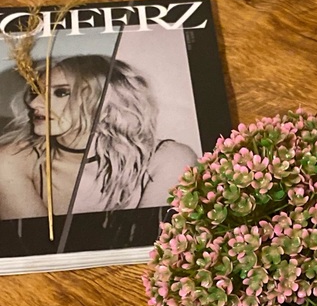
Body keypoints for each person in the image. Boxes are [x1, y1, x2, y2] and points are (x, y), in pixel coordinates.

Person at [0, 54, 196, 221]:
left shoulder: (168, 159)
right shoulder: (13, 160)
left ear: (106, 102)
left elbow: (158, 245)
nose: (34, 103)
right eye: (36, 92)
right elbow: (37, 247)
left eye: (61, 92)